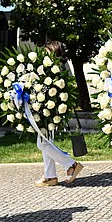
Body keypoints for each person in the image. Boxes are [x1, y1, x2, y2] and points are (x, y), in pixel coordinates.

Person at [34, 41, 83, 187]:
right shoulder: (54, 69)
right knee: (46, 142)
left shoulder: (55, 70)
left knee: (43, 143)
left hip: (51, 111)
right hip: (47, 111)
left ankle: (71, 164)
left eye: (47, 51)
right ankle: (50, 176)